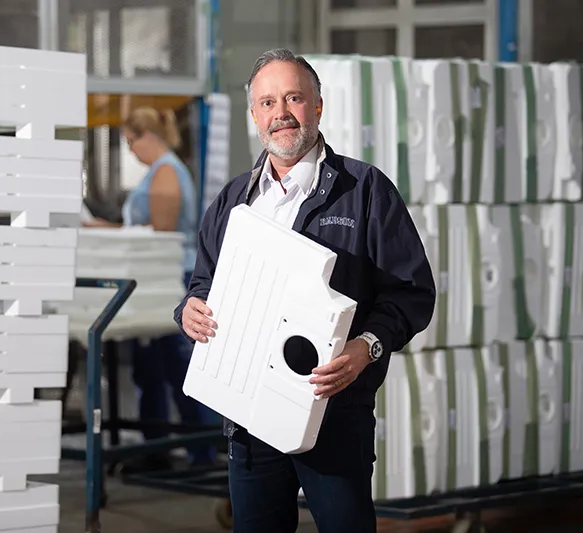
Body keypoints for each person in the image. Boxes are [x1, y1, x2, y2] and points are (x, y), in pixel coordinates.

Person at [173, 49, 436, 532]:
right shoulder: (235, 200)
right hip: (248, 413)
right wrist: (188, 311)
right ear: (254, 115)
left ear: (318, 105)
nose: (281, 113)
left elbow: (411, 293)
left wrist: (367, 346)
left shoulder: (365, 190)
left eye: (294, 97)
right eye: (268, 103)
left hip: (332, 412)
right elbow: (203, 285)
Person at [86, 107, 219, 471]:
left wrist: (108, 230)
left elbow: (160, 233)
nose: (131, 151)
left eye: (131, 141)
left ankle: (202, 452)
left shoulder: (165, 173)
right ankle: (157, 446)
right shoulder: (160, 173)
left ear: (148, 135)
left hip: (173, 279)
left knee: (179, 368)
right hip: (155, 283)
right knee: (151, 368)